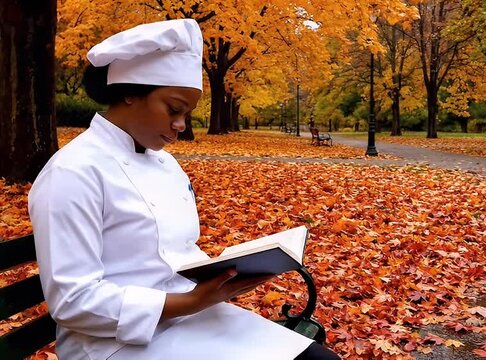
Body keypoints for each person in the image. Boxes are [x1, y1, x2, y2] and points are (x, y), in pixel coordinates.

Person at [28, 19, 339, 360]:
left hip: (193, 318)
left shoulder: (165, 164)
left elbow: (178, 251)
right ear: (130, 92)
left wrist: (224, 279)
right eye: (174, 110)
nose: (181, 125)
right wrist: (192, 300)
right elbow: (73, 302)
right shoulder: (73, 172)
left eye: (187, 114)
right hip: (113, 344)